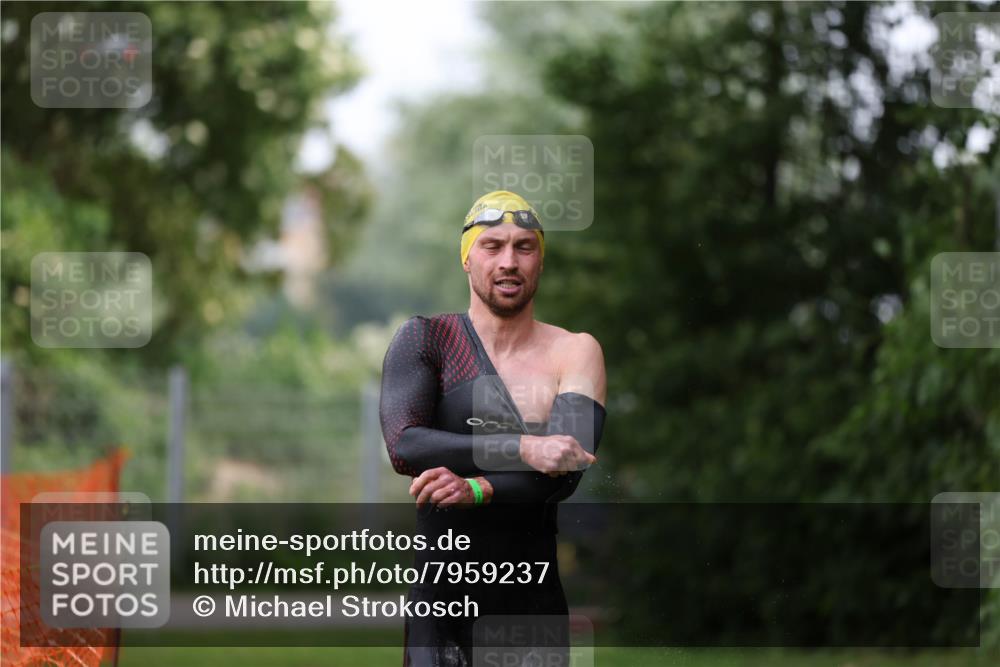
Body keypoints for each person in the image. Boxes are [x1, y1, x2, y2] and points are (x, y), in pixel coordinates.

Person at [379, 190, 607, 667]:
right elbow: (406, 445)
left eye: (525, 247)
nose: (509, 261)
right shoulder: (428, 339)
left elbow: (564, 474)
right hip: (440, 605)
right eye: (492, 245)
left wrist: (476, 487)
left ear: (540, 261)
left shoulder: (575, 351)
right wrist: (524, 447)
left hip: (529, 604)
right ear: (466, 258)